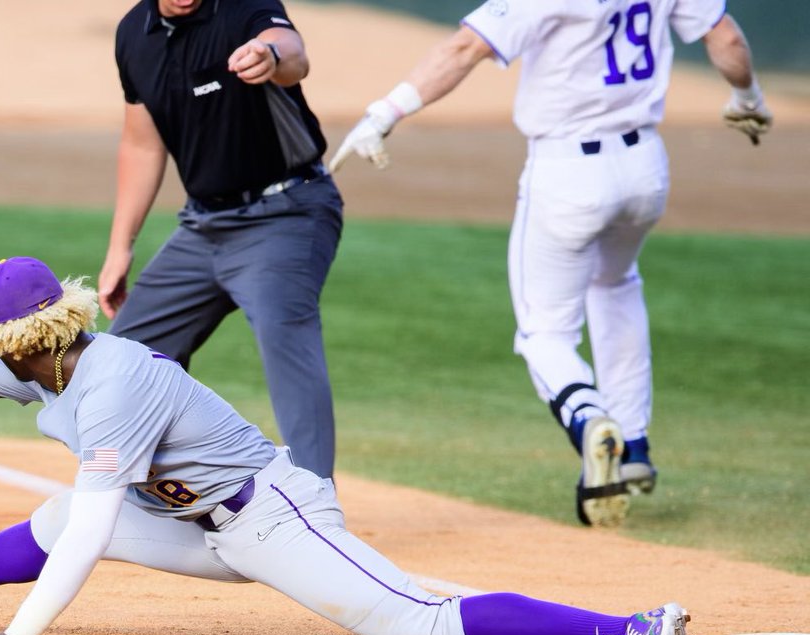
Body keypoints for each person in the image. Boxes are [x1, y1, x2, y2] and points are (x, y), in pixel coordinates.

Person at [0, 255, 689, 635]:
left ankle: (625, 630)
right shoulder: (41, 360)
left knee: (411, 620)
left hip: (269, 515)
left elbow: (98, 529)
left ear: (20, 335)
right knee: (56, 516)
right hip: (196, 522)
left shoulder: (114, 385)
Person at [328, 1, 772, 527]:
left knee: (544, 331)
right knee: (617, 284)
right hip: (644, 167)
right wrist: (747, 96)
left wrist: (385, 114)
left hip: (567, 172)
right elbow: (726, 39)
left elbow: (464, 48)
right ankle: (633, 444)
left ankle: (588, 419)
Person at [96, 0, 344, 480]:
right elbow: (142, 143)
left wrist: (270, 57)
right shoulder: (134, 33)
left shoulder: (244, 8)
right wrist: (119, 247)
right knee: (125, 354)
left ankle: (317, 504)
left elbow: (293, 55)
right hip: (201, 228)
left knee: (285, 342)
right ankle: (148, 488)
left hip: (285, 214)